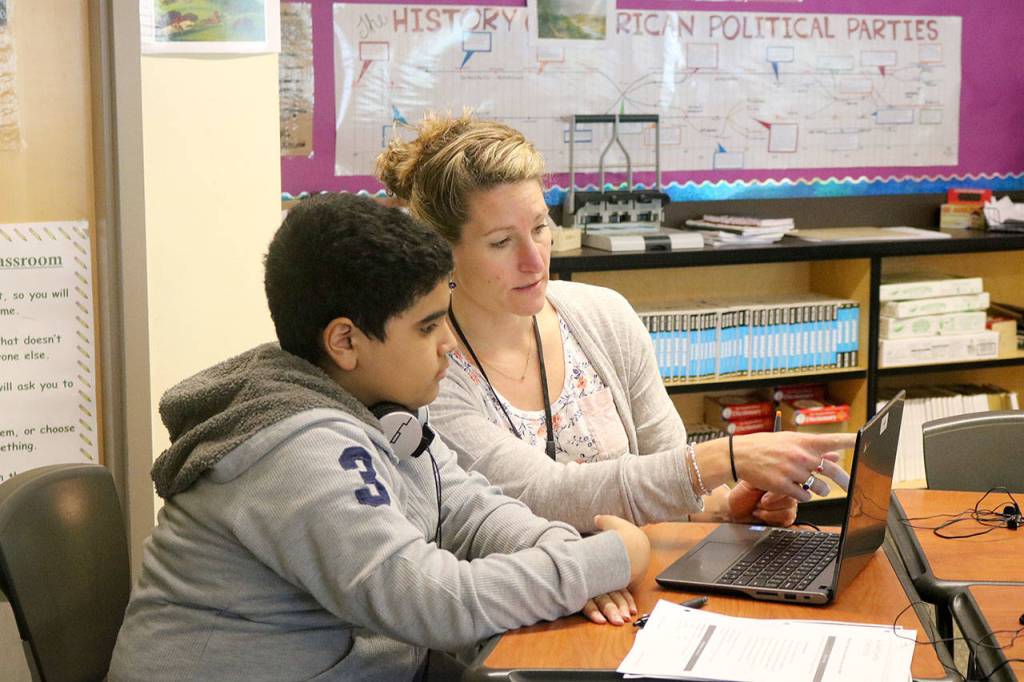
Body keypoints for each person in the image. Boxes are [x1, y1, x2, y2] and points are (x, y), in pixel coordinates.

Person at [108, 193, 651, 681]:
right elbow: (432, 602)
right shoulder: (298, 449)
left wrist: (553, 549)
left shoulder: (377, 407)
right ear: (346, 341)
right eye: (427, 327)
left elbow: (467, 509)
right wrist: (605, 559)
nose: (450, 347)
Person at [376, 113, 855, 619]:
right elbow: (543, 494)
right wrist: (728, 458)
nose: (536, 260)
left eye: (540, 227)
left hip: (636, 594)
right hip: (520, 615)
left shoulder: (601, 315)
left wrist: (722, 507)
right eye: (501, 242)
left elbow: (667, 476)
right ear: (443, 253)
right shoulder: (427, 367)